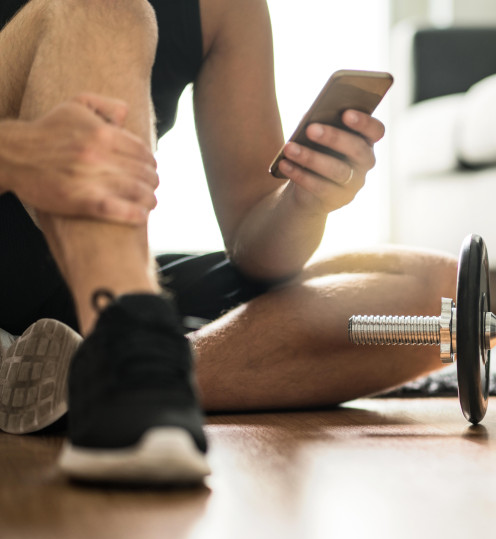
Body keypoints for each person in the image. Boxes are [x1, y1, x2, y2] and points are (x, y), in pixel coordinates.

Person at [0, 0, 456, 484]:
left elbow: (255, 250)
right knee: (101, 8)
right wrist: (16, 153)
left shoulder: (228, 9)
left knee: (438, 300)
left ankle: (109, 376)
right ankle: (128, 371)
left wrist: (304, 201)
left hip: (70, 304)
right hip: (94, 291)